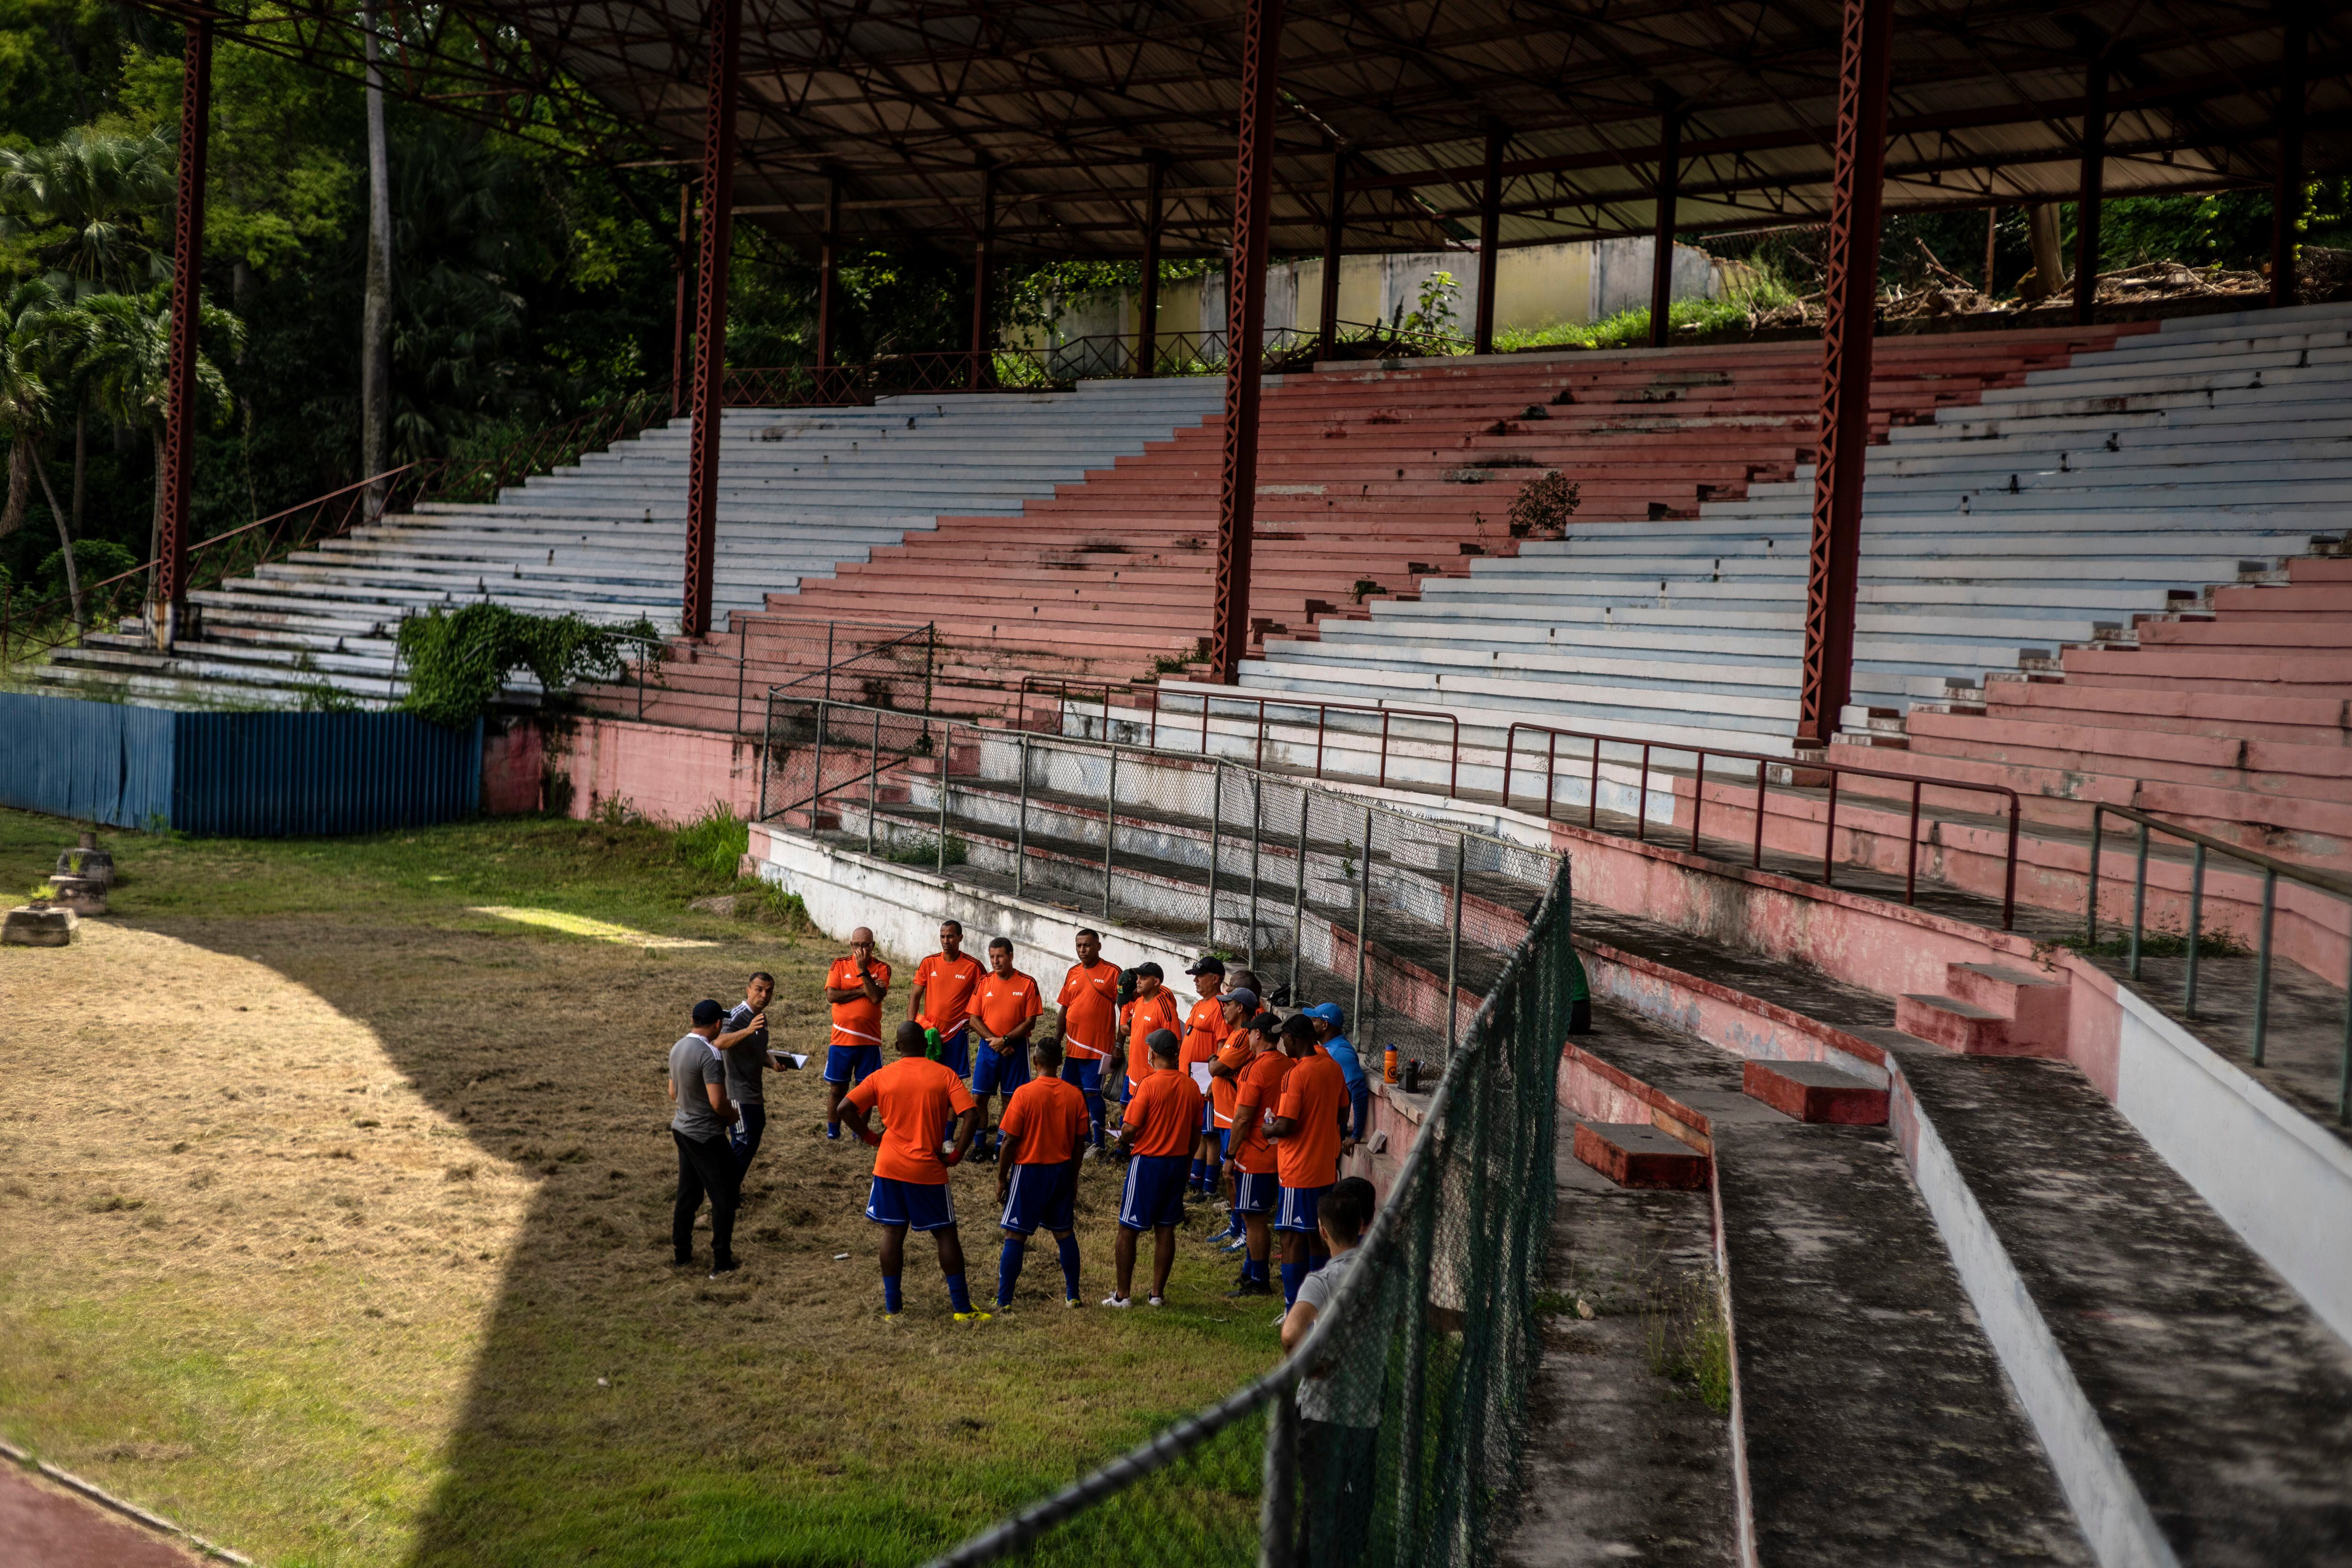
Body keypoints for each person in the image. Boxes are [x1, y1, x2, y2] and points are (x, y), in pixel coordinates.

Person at [839, 1020, 988, 1322]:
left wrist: (872, 1138)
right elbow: (971, 1115)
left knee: (893, 1233)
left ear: (897, 1047)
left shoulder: (882, 1076)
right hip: (927, 1169)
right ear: (927, 1046)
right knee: (946, 1233)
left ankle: (893, 1309)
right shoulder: (944, 1075)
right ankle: (961, 1309)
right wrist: (957, 1154)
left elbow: (844, 1108)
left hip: (889, 1165)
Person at [1279, 1177, 1383, 1568]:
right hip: (1365, 1412)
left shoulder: (1322, 1281)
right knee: (1355, 1504)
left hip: (1323, 1415)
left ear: (1322, 1231)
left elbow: (1290, 1334)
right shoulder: (1383, 1274)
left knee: (1320, 1508)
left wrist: (1306, 1361)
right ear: (1361, 1224)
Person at [1106, 1029, 1205, 1307]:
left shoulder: (1148, 1086)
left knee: (1128, 1229)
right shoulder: (1191, 1087)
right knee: (1166, 1229)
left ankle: (1123, 1295)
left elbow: (1130, 1129)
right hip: (1177, 1163)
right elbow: (1196, 1133)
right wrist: (1186, 1165)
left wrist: (1123, 1137)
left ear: (1153, 1054)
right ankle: (1157, 1295)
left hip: (1148, 1163)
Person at [993, 1035, 1089, 1309]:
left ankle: (1005, 1300)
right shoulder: (1074, 1096)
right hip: (1060, 1171)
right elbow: (1079, 1144)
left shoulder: (1024, 1094)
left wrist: (1002, 1178)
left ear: (1035, 1062)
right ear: (1060, 1062)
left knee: (1015, 1236)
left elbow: (1010, 1141)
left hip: (1028, 1172)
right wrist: (1073, 1178)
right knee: (1064, 1234)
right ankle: (1073, 1295)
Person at [1266, 1014, 1351, 1310]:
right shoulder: (1334, 1068)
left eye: (1285, 1037)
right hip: (1325, 1167)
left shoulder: (1296, 1073)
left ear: (1297, 1039)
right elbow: (1343, 1114)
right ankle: (1319, 1306)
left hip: (1297, 1171)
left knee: (1290, 1238)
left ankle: (1294, 1309)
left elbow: (1286, 1125)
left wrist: (1268, 1129)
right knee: (1318, 1236)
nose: (1282, 1042)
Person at [1222, 1011, 1292, 1298]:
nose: (1248, 1036)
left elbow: (1241, 1118)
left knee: (1253, 1218)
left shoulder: (1255, 1069)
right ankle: (1250, 1270)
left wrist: (1230, 1154)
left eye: (1251, 1032)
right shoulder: (1289, 1064)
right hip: (1283, 1153)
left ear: (1258, 1036)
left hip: (1255, 1155)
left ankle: (1260, 1280)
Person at [668, 999, 740, 1278]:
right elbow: (717, 1102)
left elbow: (673, 1094)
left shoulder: (678, 1048)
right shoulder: (709, 1054)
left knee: (689, 1194)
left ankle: (682, 1255)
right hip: (706, 1135)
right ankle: (722, 1262)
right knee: (725, 1196)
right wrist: (733, 1116)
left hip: (682, 1129)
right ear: (718, 1024)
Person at [970, 936, 1043, 1162]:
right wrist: (997, 1041)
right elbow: (974, 1019)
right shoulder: (984, 982)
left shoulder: (1028, 983)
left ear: (1011, 956)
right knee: (979, 1099)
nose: (995, 961)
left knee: (1010, 1101)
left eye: (1000, 956)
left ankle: (1001, 1147)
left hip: (1016, 1051)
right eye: (992, 957)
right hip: (989, 1050)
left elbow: (1030, 1021)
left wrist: (1007, 1041)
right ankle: (980, 1146)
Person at [715, 971, 795, 1175]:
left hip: (754, 1093)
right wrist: (749, 1030)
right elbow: (720, 1043)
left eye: (769, 992)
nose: (764, 996)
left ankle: (727, 1188)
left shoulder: (760, 1017)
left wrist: (773, 1063)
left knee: (752, 1138)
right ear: (748, 990)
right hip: (736, 1094)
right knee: (743, 1142)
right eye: (759, 990)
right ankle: (726, 1193)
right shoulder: (737, 1016)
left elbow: (756, 1051)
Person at [1056, 928, 1122, 1154]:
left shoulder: (1113, 972)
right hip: (1073, 1046)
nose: (1082, 950)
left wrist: (1119, 1044)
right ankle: (1083, 1138)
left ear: (1098, 947)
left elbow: (1126, 1009)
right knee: (1073, 1094)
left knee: (1092, 1093)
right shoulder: (1073, 972)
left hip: (1097, 1048)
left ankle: (1100, 1144)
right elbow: (1064, 1007)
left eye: (1087, 945)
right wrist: (1057, 1041)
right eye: (1079, 946)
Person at [823, 928, 890, 1140]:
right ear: (851, 945)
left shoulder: (883, 968)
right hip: (842, 1039)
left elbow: (876, 997)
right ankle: (833, 1131)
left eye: (866, 945)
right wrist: (863, 989)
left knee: (865, 1092)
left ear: (873, 946)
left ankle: (859, 1134)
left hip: (870, 1040)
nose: (861, 949)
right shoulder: (839, 964)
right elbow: (832, 996)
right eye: (857, 945)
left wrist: (862, 972)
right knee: (837, 1089)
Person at [1205, 987, 1259, 1248]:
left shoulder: (1241, 1038)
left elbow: (1216, 1067)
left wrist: (1216, 1063)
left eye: (1228, 1004)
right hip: (1224, 1114)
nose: (1223, 1008)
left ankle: (1244, 1233)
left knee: (1234, 1174)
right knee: (1230, 1176)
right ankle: (1235, 1227)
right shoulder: (1234, 1036)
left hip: (1232, 1116)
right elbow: (1218, 1068)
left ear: (1240, 1008)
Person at [1179, 957, 1229, 1200]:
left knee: (1210, 1135)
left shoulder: (1219, 1007)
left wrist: (1213, 1081)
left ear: (1216, 979)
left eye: (1201, 976)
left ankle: (1209, 1187)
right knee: (1199, 1131)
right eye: (1195, 976)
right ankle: (1196, 1180)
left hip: (1206, 1083)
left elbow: (1222, 1047)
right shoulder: (1201, 1005)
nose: (1196, 980)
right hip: (1193, 1081)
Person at [911, 919, 986, 1081]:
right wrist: (911, 1027)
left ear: (961, 938)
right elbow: (915, 996)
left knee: (952, 1082)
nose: (946, 941)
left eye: (951, 937)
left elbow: (987, 997)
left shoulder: (974, 967)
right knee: (929, 1080)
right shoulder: (929, 963)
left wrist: (977, 1021)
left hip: (956, 1033)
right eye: (943, 937)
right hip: (930, 1033)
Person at [1116, 961, 1180, 1130]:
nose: (1138, 982)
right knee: (1127, 1110)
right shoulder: (1138, 1003)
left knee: (1145, 1116)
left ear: (1156, 982)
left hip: (1149, 1075)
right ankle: (1124, 1149)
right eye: (1138, 978)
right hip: (1133, 1071)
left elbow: (1175, 1043)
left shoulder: (1165, 1007)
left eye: (1143, 978)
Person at [1302, 1003, 1368, 1144]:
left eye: (1314, 1021)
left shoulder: (1341, 1052)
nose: (1311, 1025)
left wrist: (1356, 1136)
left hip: (1330, 1135)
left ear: (1325, 1025)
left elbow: (1359, 1090)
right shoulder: (1329, 1047)